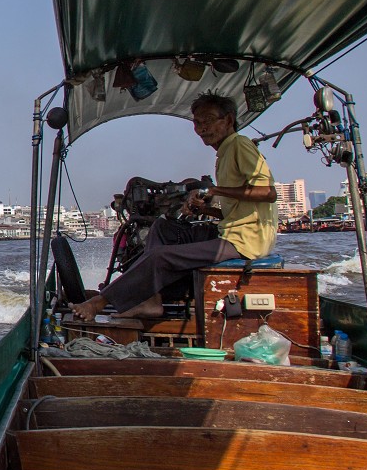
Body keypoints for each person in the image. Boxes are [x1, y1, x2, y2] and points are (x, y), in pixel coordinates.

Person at [72, 92, 277, 320]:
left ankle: (98, 303)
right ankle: (151, 299)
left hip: (245, 242)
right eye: (197, 123)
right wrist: (204, 209)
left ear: (228, 120)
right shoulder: (224, 153)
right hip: (230, 231)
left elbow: (268, 193)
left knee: (161, 256)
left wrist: (215, 191)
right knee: (162, 228)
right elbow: (234, 211)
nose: (201, 128)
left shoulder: (239, 144)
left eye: (208, 120)